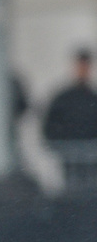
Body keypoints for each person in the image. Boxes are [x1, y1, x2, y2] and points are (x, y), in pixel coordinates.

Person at [43, 48, 97, 189]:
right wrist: (60, 144)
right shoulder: (63, 98)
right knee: (71, 188)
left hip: (92, 158)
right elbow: (50, 125)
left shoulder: (92, 97)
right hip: (68, 157)